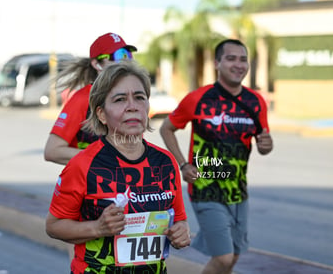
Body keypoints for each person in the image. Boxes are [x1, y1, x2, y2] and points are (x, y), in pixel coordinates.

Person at [45, 61, 191, 274]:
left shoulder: (165, 162)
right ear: (101, 114)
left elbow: (178, 220)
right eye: (120, 99)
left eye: (140, 98)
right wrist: (97, 228)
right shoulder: (82, 165)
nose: (132, 106)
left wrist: (181, 232)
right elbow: (53, 226)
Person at [160, 39, 273, 274]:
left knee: (233, 257)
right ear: (217, 63)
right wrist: (183, 164)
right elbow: (166, 128)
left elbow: (263, 145)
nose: (238, 64)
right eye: (231, 58)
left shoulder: (256, 102)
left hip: (238, 191)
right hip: (206, 189)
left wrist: (267, 145)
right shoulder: (198, 99)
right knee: (223, 257)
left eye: (243, 59)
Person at [44, 32, 137, 165]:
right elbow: (52, 151)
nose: (125, 61)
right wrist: (103, 158)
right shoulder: (83, 98)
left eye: (127, 55)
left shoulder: (133, 97)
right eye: (117, 56)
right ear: (96, 64)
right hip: (88, 183)